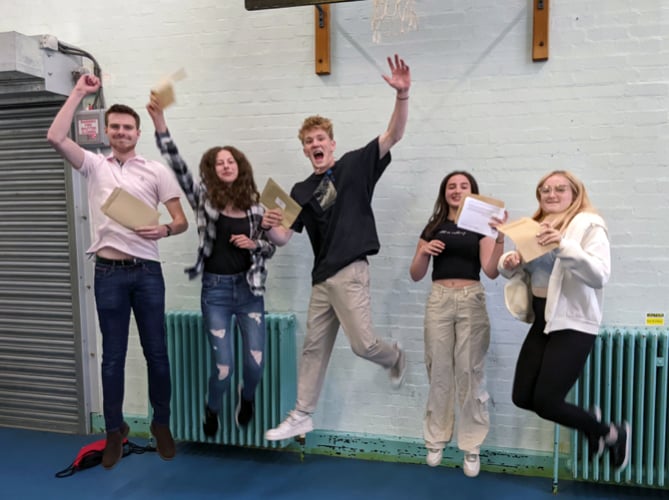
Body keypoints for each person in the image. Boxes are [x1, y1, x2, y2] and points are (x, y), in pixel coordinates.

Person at [261, 54, 411, 441]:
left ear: (331, 143)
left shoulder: (354, 165)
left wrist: (402, 96)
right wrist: (269, 227)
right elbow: (283, 238)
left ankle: (394, 355)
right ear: (304, 149)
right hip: (321, 278)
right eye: (309, 141)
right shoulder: (299, 191)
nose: (315, 144)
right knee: (313, 348)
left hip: (350, 270)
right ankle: (302, 414)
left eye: (320, 139)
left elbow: (393, 135)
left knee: (363, 346)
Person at [46, 74, 188, 469]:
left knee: (157, 354)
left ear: (138, 133)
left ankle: (161, 424)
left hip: (147, 273)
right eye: (116, 127)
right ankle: (113, 431)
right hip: (108, 273)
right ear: (107, 131)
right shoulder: (93, 165)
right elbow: (56, 136)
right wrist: (79, 92)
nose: (122, 132)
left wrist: (163, 228)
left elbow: (181, 221)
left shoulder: (156, 171)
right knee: (112, 357)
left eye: (128, 128)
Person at [146, 95, 276, 437]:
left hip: (250, 292)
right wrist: (160, 124)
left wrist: (256, 244)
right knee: (223, 368)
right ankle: (213, 408)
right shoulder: (202, 200)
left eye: (230, 161)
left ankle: (247, 398)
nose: (225, 166)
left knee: (255, 366)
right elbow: (178, 165)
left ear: (240, 166)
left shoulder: (257, 208)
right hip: (216, 292)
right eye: (219, 163)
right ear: (213, 169)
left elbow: (270, 249)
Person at [498, 170, 629, 473]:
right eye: (545, 189)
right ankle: (592, 427)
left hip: (574, 323)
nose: (551, 194)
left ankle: (612, 433)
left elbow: (599, 275)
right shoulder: (533, 227)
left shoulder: (589, 225)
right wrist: (511, 263)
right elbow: (526, 273)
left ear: (575, 193)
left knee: (547, 401)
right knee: (522, 397)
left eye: (560, 189)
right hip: (543, 321)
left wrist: (563, 245)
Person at [409, 171, 507, 477]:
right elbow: (415, 273)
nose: (457, 190)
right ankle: (436, 439)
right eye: (451, 186)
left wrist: (500, 236)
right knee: (438, 368)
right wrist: (423, 251)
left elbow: (491, 271)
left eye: (463, 186)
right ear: (444, 192)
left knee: (469, 371)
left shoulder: (480, 226)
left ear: (472, 193)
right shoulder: (434, 226)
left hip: (470, 299)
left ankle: (471, 446)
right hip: (439, 298)